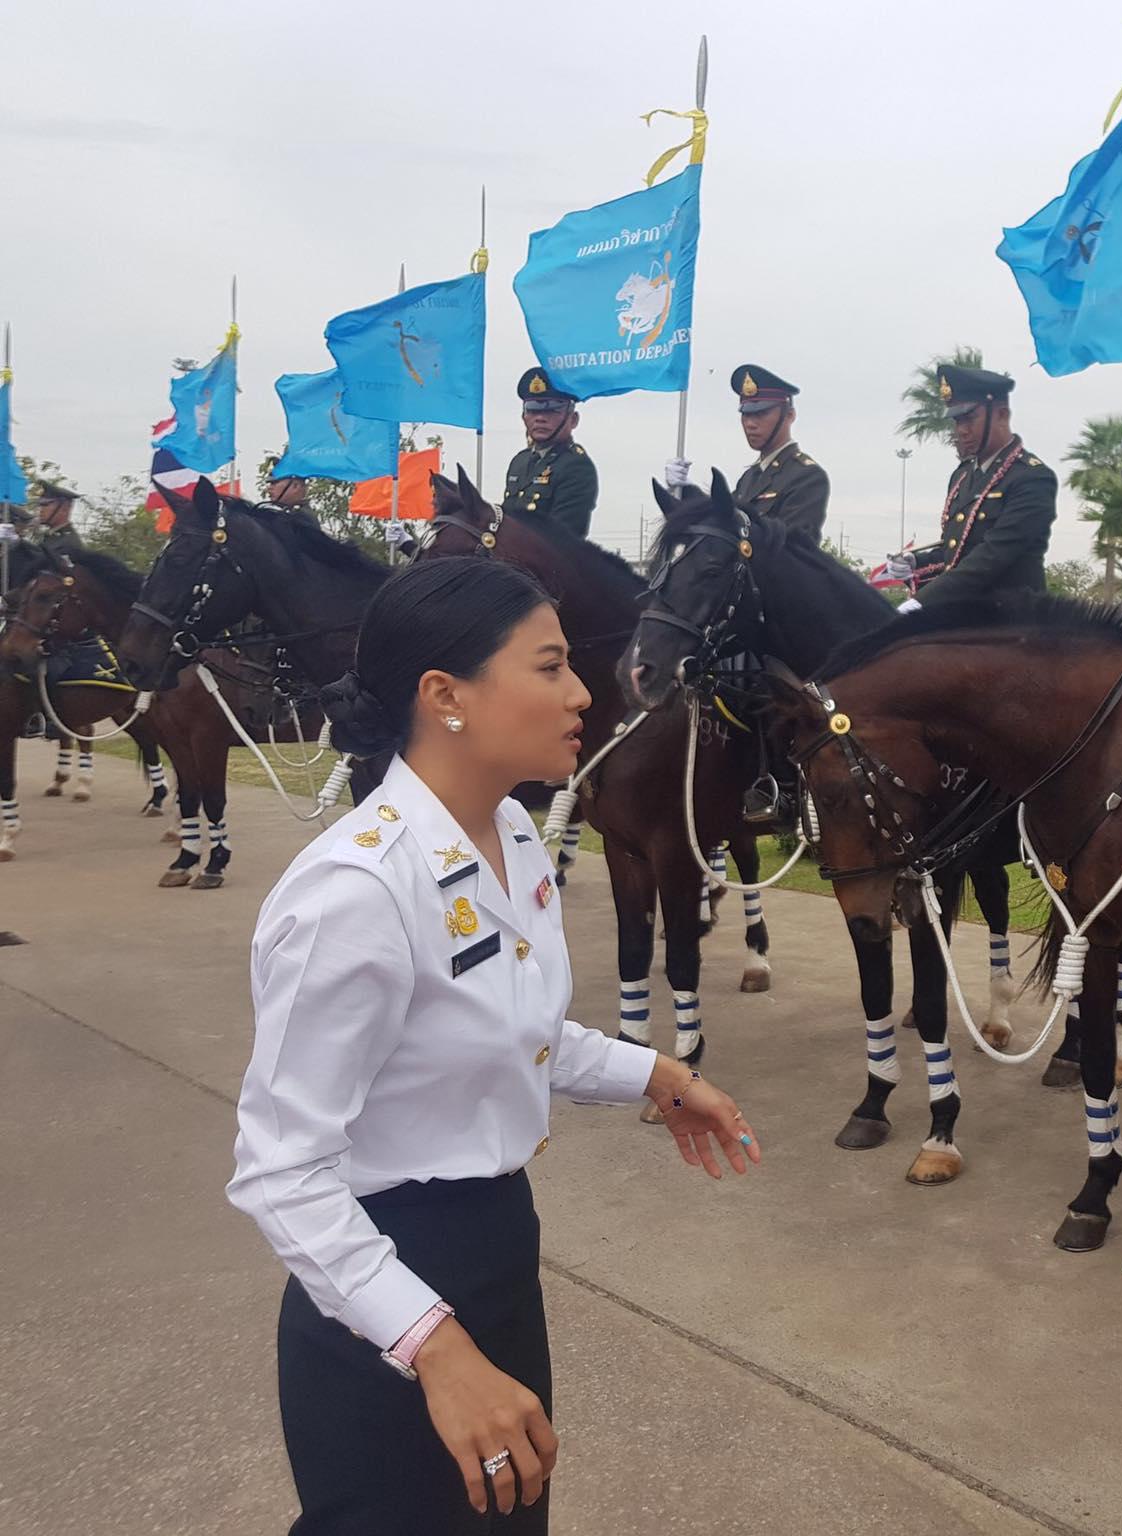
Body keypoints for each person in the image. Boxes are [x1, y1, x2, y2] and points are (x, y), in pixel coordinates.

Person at [227, 558, 760, 1532]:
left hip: (497, 1255)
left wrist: (655, 1072)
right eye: (549, 667)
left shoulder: (511, 835)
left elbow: (512, 1029)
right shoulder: (354, 896)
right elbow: (279, 1171)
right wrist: (435, 1347)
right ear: (446, 696)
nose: (582, 693)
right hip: (383, 1289)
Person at [885, 364, 1056, 613]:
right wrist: (916, 562)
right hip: (965, 615)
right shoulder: (964, 475)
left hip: (1013, 622)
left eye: (970, 418)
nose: (962, 430)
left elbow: (994, 556)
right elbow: (957, 552)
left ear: (1002, 415)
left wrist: (922, 601)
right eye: (957, 420)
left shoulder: (1032, 478)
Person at [706, 365, 829, 546]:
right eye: (746, 415)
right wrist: (684, 495)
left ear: (789, 415)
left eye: (760, 414)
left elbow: (793, 550)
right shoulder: (750, 478)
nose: (750, 424)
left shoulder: (807, 477)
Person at [504, 367, 598, 541]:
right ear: (523, 416)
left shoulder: (576, 466)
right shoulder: (520, 461)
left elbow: (561, 539)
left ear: (573, 419)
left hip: (547, 564)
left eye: (551, 410)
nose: (540, 418)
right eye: (532, 410)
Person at [29, 480, 85, 556]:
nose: (41, 510)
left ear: (64, 509)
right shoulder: (51, 536)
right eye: (40, 505)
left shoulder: (69, 544)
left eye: (46, 505)